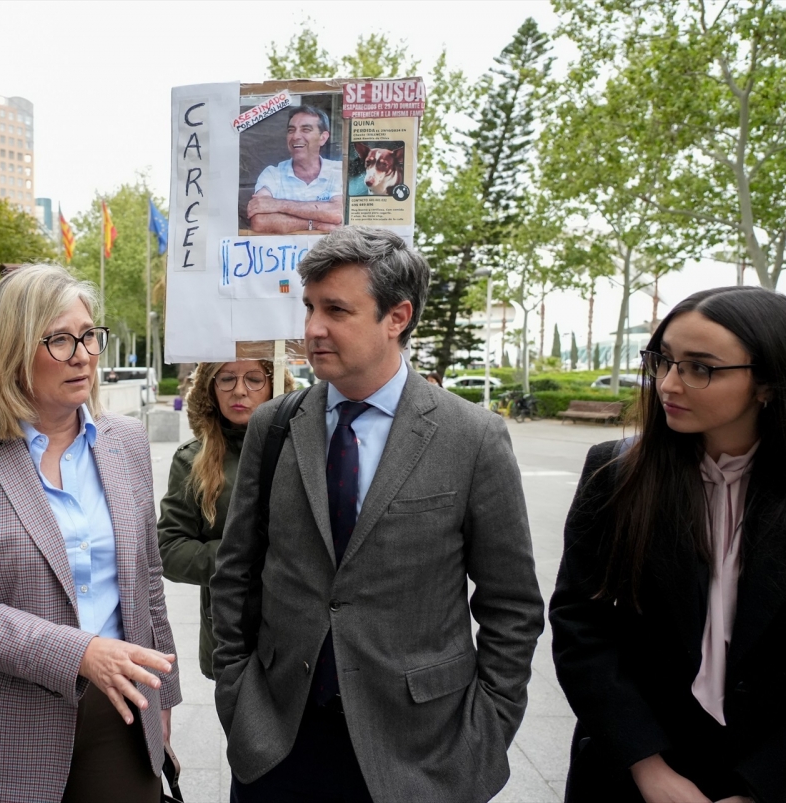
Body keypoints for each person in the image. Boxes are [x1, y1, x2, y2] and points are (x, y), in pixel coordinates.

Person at [211, 227, 545, 802]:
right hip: (280, 740)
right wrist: (240, 698)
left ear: (398, 316)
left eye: (336, 309)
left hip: (420, 751)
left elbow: (511, 605)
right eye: (310, 307)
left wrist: (485, 732)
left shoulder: (473, 437)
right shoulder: (275, 426)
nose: (313, 328)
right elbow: (235, 573)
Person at [0, 264, 181, 803]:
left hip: (122, 709)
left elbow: (148, 582)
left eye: (88, 336)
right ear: (9, 350)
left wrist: (165, 700)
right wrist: (82, 653)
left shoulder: (126, 442)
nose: (82, 354)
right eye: (59, 339)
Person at [549, 286, 786, 803]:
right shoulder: (617, 474)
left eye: (701, 368)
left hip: (777, 775)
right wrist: (649, 770)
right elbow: (580, 625)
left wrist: (765, 786)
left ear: (766, 382)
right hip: (632, 770)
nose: (669, 384)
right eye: (663, 361)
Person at [157, 360, 289, 679]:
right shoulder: (192, 459)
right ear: (210, 389)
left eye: (255, 378)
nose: (239, 390)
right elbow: (170, 550)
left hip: (296, 635)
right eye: (226, 378)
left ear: (275, 385)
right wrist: (243, 558)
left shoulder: (302, 450)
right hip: (232, 632)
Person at [246, 105, 345, 234]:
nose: (295, 136)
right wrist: (314, 223)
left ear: (323, 138)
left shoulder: (338, 171)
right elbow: (259, 221)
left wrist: (278, 205)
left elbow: (338, 214)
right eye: (291, 130)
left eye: (306, 129)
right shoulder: (272, 174)